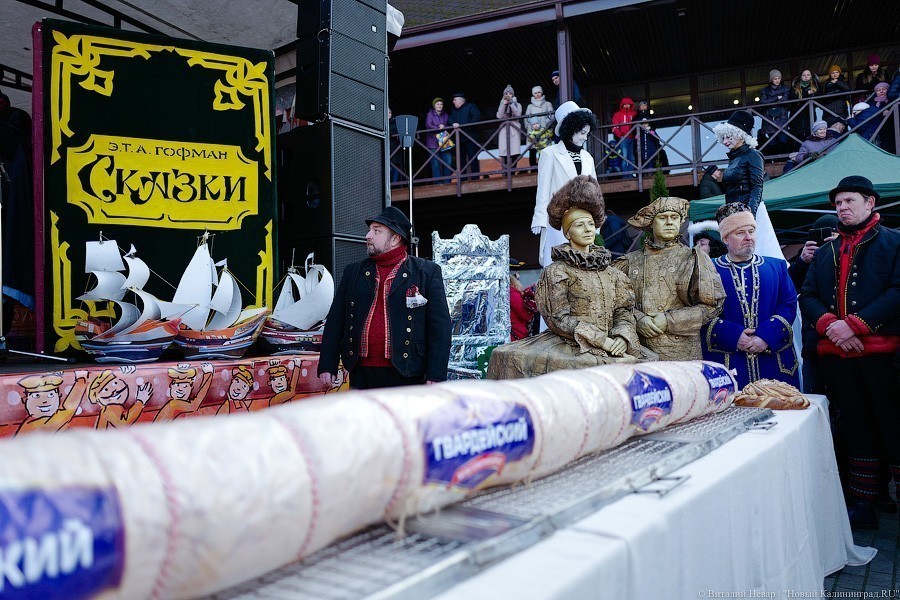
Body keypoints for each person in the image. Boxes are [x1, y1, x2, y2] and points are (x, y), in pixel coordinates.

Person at [799, 176, 900, 529]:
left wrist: (856, 324)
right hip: (838, 357)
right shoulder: (825, 252)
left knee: (894, 428)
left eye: (849, 200)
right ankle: (863, 503)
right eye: (838, 202)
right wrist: (831, 326)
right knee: (856, 429)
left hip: (883, 357)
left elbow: (898, 290)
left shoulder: (894, 241)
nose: (842, 207)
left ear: (870, 203)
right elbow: (807, 296)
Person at [489, 176, 648, 379]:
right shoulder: (557, 271)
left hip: (613, 343)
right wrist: (600, 340)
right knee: (507, 358)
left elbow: (624, 311)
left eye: (590, 224)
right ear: (568, 233)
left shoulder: (613, 273)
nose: (588, 229)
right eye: (580, 225)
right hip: (571, 345)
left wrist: (622, 338)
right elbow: (559, 318)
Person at [318, 206, 451, 390]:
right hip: (361, 371)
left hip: (407, 371)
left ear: (396, 238)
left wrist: (436, 373)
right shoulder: (353, 271)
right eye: (370, 230)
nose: (368, 236)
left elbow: (440, 328)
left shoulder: (426, 272)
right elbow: (336, 321)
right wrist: (327, 364)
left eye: (377, 231)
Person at [701, 204, 799, 389]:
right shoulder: (708, 269)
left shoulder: (777, 267)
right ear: (725, 239)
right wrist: (733, 335)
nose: (748, 237)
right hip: (729, 362)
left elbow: (788, 305)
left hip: (774, 362)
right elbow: (700, 311)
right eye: (740, 233)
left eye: (751, 231)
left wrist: (765, 337)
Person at [614, 197, 725, 361]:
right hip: (639, 352)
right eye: (662, 217)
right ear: (651, 222)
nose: (669, 222)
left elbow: (712, 305)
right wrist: (638, 319)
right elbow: (615, 304)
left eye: (674, 218)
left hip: (683, 354)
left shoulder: (693, 258)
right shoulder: (629, 261)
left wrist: (669, 320)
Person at [531, 101, 599, 267]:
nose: (585, 137)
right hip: (558, 217)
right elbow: (543, 188)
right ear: (571, 129)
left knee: (583, 262)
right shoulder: (549, 153)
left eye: (587, 133)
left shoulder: (587, 157)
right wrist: (539, 217)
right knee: (560, 262)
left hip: (582, 217)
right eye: (582, 132)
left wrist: (596, 220)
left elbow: (595, 190)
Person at [713, 110, 782, 259]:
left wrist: (750, 215)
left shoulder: (753, 155)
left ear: (741, 135)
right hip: (735, 213)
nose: (725, 141)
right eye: (723, 137)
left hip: (749, 213)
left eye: (729, 137)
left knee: (758, 253)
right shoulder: (734, 158)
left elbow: (757, 187)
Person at [787, 214, 839, 394]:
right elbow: (789, 289)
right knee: (815, 395)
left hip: (842, 339)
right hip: (813, 342)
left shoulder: (848, 253)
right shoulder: (808, 258)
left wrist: (840, 248)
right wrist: (801, 262)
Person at [15, 371, 88, 435]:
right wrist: (81, 380)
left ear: (59, 397)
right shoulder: (32, 424)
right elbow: (66, 410)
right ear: (25, 400)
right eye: (36, 396)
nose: (45, 401)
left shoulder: (31, 422)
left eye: (51, 395)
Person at [759, 69, 792, 155]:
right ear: (771, 80)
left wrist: (771, 100)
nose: (777, 80)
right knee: (771, 142)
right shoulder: (764, 91)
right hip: (769, 119)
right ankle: (774, 160)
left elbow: (785, 100)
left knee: (783, 140)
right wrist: (776, 98)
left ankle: (784, 158)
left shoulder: (785, 89)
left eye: (778, 78)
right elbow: (763, 102)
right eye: (775, 79)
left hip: (782, 118)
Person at [449, 92, 482, 178]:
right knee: (460, 160)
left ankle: (475, 178)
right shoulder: (454, 111)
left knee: (473, 158)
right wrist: (453, 123)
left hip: (470, 137)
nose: (453, 102)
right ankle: (462, 179)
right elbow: (450, 120)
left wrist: (467, 128)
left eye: (455, 100)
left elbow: (476, 117)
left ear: (460, 100)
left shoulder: (471, 106)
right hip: (459, 139)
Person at [424, 98, 452, 184]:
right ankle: (438, 182)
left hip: (444, 140)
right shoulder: (430, 114)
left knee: (448, 161)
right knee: (435, 163)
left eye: (441, 104)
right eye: (437, 104)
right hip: (432, 141)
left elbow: (449, 125)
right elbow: (428, 125)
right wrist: (439, 128)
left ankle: (447, 181)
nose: (440, 106)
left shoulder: (446, 115)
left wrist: (444, 127)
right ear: (434, 106)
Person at [524, 86, 553, 167]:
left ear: (542, 92)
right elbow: (526, 119)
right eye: (535, 93)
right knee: (532, 150)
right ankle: (533, 169)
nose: (537, 94)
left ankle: (543, 168)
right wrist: (530, 127)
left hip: (544, 131)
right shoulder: (530, 106)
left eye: (539, 92)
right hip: (533, 132)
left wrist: (546, 124)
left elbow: (551, 116)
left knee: (544, 151)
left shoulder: (548, 104)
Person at [509, 259, 537, 341]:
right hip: (515, 335)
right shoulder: (512, 292)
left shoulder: (509, 291)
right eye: (517, 272)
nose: (519, 276)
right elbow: (523, 314)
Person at [496, 84, 523, 170]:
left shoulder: (517, 104)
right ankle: (506, 172)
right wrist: (504, 104)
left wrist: (511, 104)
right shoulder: (501, 104)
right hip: (504, 130)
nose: (508, 95)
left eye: (510, 94)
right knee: (504, 152)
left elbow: (518, 114)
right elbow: (499, 116)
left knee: (514, 152)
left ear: (513, 95)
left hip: (514, 129)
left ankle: (513, 171)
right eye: (506, 94)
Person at [790, 69, 820, 140]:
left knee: (810, 133)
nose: (806, 77)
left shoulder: (816, 85)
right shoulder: (795, 86)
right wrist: (807, 93)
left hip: (809, 114)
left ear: (811, 76)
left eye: (808, 75)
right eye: (804, 75)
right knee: (798, 136)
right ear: (800, 77)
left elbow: (819, 97)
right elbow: (792, 97)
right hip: (797, 115)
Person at [611, 98, 637, 172]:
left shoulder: (634, 114)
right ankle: (625, 176)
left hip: (633, 138)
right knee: (624, 157)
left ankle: (630, 175)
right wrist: (620, 135)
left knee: (632, 158)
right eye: (625, 104)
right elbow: (614, 127)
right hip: (623, 138)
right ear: (622, 105)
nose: (627, 106)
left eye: (628, 104)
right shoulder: (617, 114)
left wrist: (636, 134)